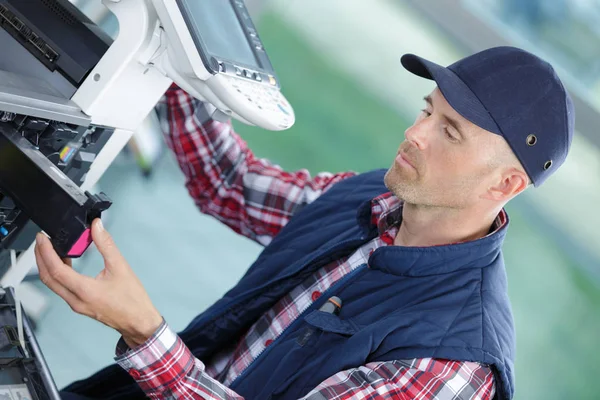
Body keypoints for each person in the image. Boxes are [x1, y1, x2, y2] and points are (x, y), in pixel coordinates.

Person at [34, 46, 574, 400]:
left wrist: (144, 332)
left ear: (506, 185)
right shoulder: (373, 197)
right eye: (427, 110)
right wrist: (172, 56)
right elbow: (234, 185)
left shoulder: (450, 366)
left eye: (450, 132)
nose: (415, 133)